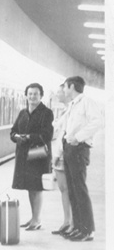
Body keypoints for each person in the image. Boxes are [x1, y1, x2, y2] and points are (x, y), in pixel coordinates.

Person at [60, 76, 104, 242]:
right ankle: (78, 227)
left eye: (65, 87)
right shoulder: (73, 104)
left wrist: (78, 137)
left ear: (72, 86)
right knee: (72, 189)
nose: (64, 90)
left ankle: (87, 230)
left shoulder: (87, 102)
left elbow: (98, 122)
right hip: (70, 148)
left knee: (79, 189)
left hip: (79, 148)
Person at [9, 83, 54, 230]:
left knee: (36, 187)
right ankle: (33, 218)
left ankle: (37, 220)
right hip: (23, 155)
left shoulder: (46, 113)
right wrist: (16, 136)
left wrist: (28, 137)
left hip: (38, 154)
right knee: (30, 187)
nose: (32, 96)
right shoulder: (23, 112)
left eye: (35, 94)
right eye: (30, 93)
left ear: (41, 96)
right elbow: (13, 131)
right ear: (26, 95)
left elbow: (47, 135)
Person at [49, 84, 73, 235]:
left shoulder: (71, 109)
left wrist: (57, 155)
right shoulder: (66, 109)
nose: (58, 93)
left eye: (60, 90)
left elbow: (65, 134)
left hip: (63, 154)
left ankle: (70, 223)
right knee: (64, 190)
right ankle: (67, 221)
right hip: (60, 154)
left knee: (67, 190)